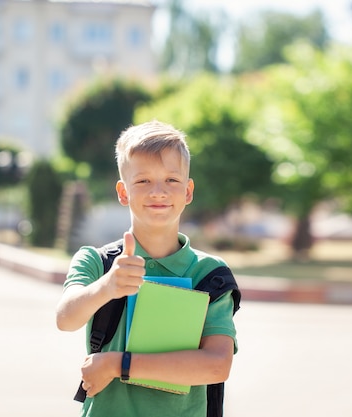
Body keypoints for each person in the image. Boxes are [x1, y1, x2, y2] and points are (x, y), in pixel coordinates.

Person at [55, 120, 238, 417]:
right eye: (143, 181)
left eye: (172, 180)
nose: (158, 192)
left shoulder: (210, 274)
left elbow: (217, 365)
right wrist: (108, 285)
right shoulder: (96, 262)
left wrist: (118, 365)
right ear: (123, 192)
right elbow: (65, 319)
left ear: (188, 191)